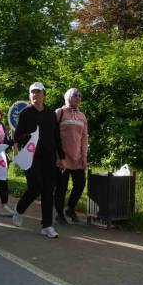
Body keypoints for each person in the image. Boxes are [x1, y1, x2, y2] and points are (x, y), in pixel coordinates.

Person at [12, 82, 66, 239]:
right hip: (31, 157)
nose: (35, 95)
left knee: (48, 190)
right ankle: (19, 209)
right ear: (30, 95)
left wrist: (61, 157)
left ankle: (47, 225)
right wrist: (28, 137)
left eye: (38, 92)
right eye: (32, 92)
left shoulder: (50, 114)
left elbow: (56, 137)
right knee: (35, 187)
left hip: (49, 157)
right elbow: (17, 137)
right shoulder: (26, 113)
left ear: (44, 94)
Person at [54, 88, 89, 225]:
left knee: (80, 184)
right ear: (68, 96)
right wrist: (58, 157)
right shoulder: (60, 112)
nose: (78, 98)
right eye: (75, 95)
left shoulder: (82, 116)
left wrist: (84, 156)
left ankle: (70, 208)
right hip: (62, 158)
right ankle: (59, 214)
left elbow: (84, 138)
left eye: (80, 96)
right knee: (61, 187)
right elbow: (53, 135)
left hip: (77, 158)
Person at [0, 107, 15, 217]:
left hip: (2, 157)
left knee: (3, 181)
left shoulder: (2, 126)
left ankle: (4, 206)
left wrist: (14, 141)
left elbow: (5, 142)